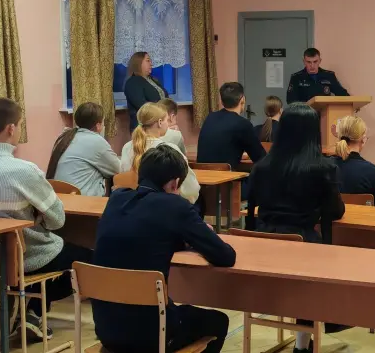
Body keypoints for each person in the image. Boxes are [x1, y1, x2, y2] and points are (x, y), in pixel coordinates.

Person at [0, 98, 92, 340]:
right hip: (29, 256)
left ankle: (29, 311)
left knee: (36, 251)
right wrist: (38, 217)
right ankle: (31, 310)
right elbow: (58, 219)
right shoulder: (24, 170)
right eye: (20, 125)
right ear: (11, 128)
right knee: (92, 260)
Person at [93, 145, 235, 353]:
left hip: (106, 330)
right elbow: (225, 256)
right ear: (175, 183)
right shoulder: (175, 206)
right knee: (219, 321)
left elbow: (149, 236)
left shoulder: (116, 199)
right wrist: (199, 234)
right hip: (152, 335)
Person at [247, 103, 347, 353]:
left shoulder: (261, 167)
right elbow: (335, 211)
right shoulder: (323, 168)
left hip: (262, 247)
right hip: (302, 247)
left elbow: (252, 207)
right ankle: (303, 345)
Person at [121, 103, 200, 204]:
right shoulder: (168, 150)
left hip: (132, 204)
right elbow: (191, 188)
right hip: (162, 205)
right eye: (167, 120)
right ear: (160, 122)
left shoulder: (126, 147)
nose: (168, 124)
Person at [46, 102, 121, 197]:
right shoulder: (96, 141)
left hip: (59, 197)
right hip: (81, 199)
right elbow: (118, 169)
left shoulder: (64, 137)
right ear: (98, 125)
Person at [197, 82, 266, 171]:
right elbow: (260, 158)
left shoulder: (210, 117)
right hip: (227, 177)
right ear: (243, 100)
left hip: (201, 175)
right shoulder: (243, 124)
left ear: (222, 102)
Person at [332, 116, 375, 207]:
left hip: (333, 216)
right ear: (363, 139)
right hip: (364, 216)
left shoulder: (325, 167)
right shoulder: (372, 171)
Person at [123, 52, 167, 133]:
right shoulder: (133, 82)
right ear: (138, 63)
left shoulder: (153, 80)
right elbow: (142, 106)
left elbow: (165, 98)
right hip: (144, 128)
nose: (151, 64)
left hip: (160, 124)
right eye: (148, 60)